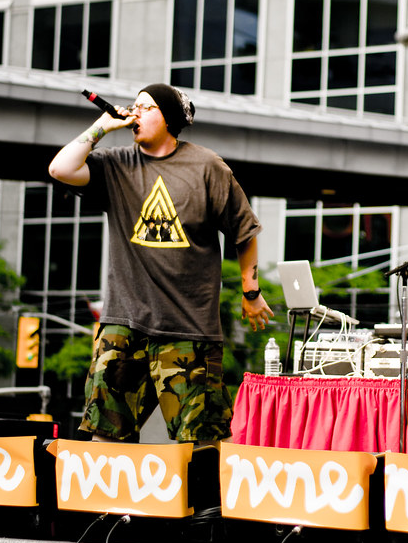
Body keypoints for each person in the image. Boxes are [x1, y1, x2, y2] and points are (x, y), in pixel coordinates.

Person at [49, 83, 274, 445]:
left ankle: (205, 504)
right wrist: (101, 128)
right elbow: (60, 169)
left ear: (167, 118)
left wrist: (251, 290)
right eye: (134, 106)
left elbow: (244, 232)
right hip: (125, 323)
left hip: (189, 329)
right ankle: (110, 504)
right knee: (106, 435)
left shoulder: (208, 167)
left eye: (146, 107)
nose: (135, 113)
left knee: (200, 442)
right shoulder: (117, 164)